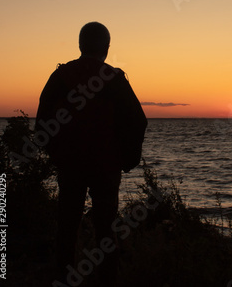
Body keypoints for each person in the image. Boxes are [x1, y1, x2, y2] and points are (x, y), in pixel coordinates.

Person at [35, 22, 147, 286]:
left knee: (67, 227)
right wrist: (128, 160)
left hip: (70, 165)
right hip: (105, 168)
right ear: (106, 48)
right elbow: (138, 121)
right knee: (107, 231)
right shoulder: (114, 78)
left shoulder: (60, 76)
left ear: (80, 45)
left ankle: (63, 278)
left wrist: (54, 153)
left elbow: (42, 122)